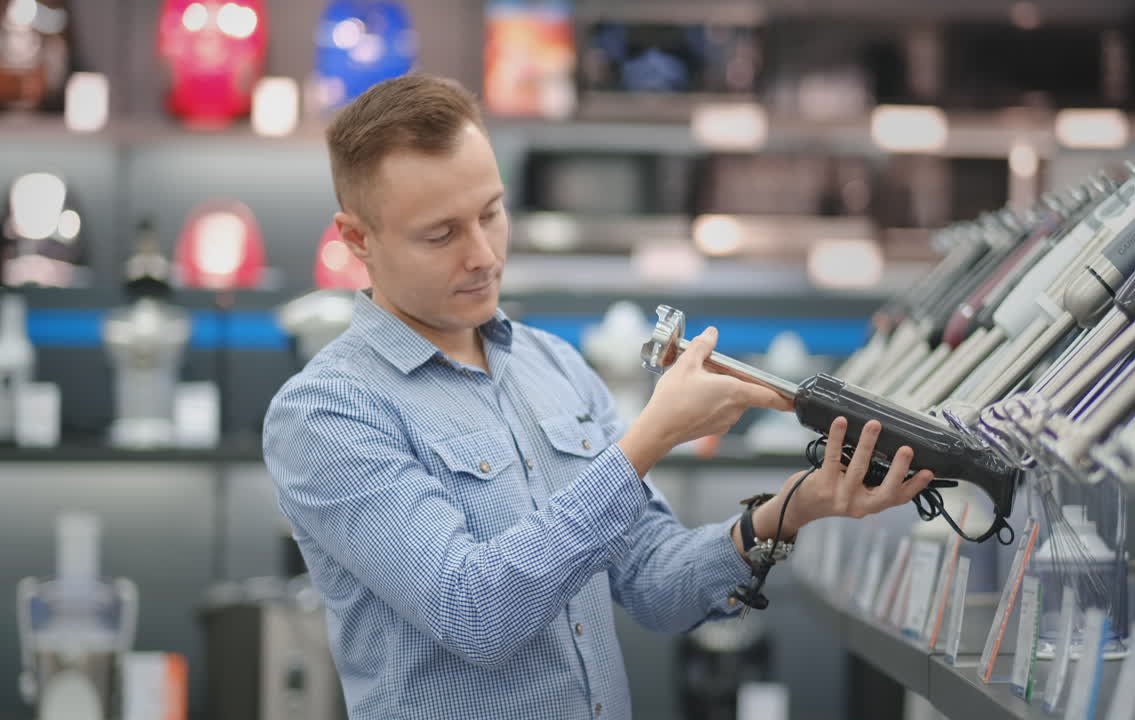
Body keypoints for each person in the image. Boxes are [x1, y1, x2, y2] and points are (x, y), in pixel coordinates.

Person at [262, 73, 936, 720]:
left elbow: (654, 585)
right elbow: (474, 612)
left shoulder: (550, 364)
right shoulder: (328, 411)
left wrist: (789, 510)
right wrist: (648, 438)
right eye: (440, 234)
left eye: (492, 214)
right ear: (356, 239)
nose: (483, 255)